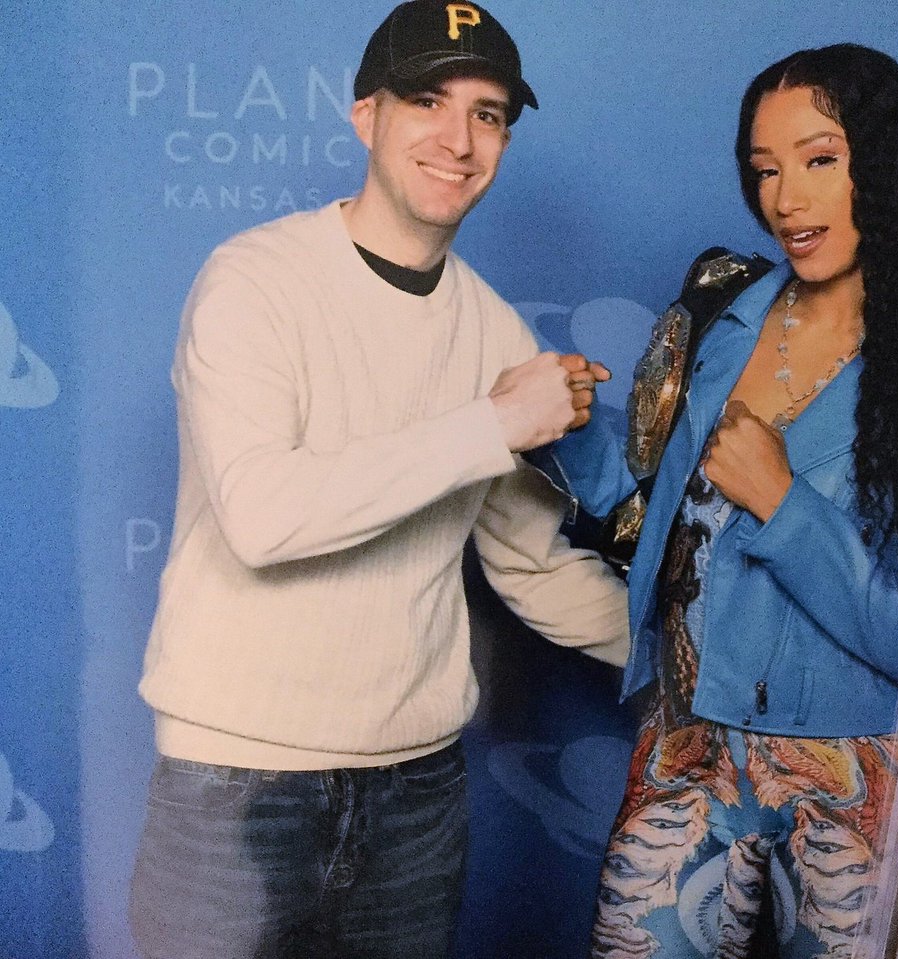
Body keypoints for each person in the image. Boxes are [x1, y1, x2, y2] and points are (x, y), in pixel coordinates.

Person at [128, 3, 629, 957]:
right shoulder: (254, 281)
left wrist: (695, 658)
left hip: (415, 795)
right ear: (367, 116)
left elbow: (529, 566)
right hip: (236, 786)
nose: (459, 138)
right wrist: (494, 424)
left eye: (489, 114)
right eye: (429, 100)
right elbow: (264, 515)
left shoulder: (495, 333)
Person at [552, 44, 898, 959]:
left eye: (820, 160)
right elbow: (649, 517)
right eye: (766, 170)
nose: (786, 199)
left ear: (888, 167)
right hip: (690, 748)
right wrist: (568, 425)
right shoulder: (723, 318)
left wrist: (784, 504)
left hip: (862, 770)